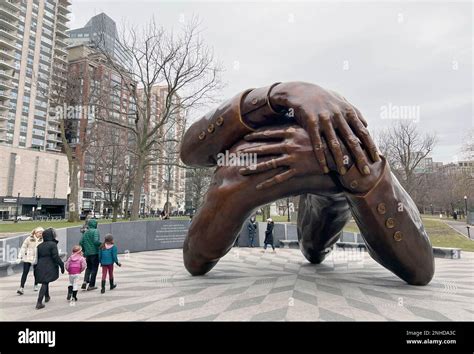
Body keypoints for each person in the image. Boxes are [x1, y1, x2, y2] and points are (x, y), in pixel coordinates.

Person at [180, 82, 435, 286]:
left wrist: (351, 165)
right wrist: (274, 94)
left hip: (332, 182)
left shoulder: (345, 137)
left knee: (314, 249)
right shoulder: (263, 124)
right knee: (236, 176)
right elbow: (189, 152)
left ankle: (333, 191)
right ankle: (241, 192)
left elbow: (422, 269)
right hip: (270, 164)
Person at [34, 228, 64, 310]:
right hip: (48, 265)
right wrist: (61, 265)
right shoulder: (52, 245)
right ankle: (39, 302)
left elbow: (37, 258)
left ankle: (47, 296)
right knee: (45, 282)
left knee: (45, 281)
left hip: (40, 265)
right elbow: (55, 257)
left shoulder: (39, 246)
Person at [17, 227, 44, 295]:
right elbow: (23, 247)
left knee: (36, 272)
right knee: (25, 272)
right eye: (39, 233)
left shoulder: (43, 240)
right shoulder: (29, 239)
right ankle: (21, 287)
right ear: (35, 232)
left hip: (37, 258)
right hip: (28, 257)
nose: (41, 234)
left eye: (41, 233)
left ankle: (36, 284)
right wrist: (20, 256)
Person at [79, 218, 101, 291]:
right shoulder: (95, 231)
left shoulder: (86, 232)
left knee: (88, 268)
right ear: (95, 224)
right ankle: (91, 285)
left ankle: (85, 281)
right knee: (94, 269)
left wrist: (84, 251)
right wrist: (102, 244)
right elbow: (96, 241)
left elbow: (81, 242)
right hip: (94, 253)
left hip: (87, 253)